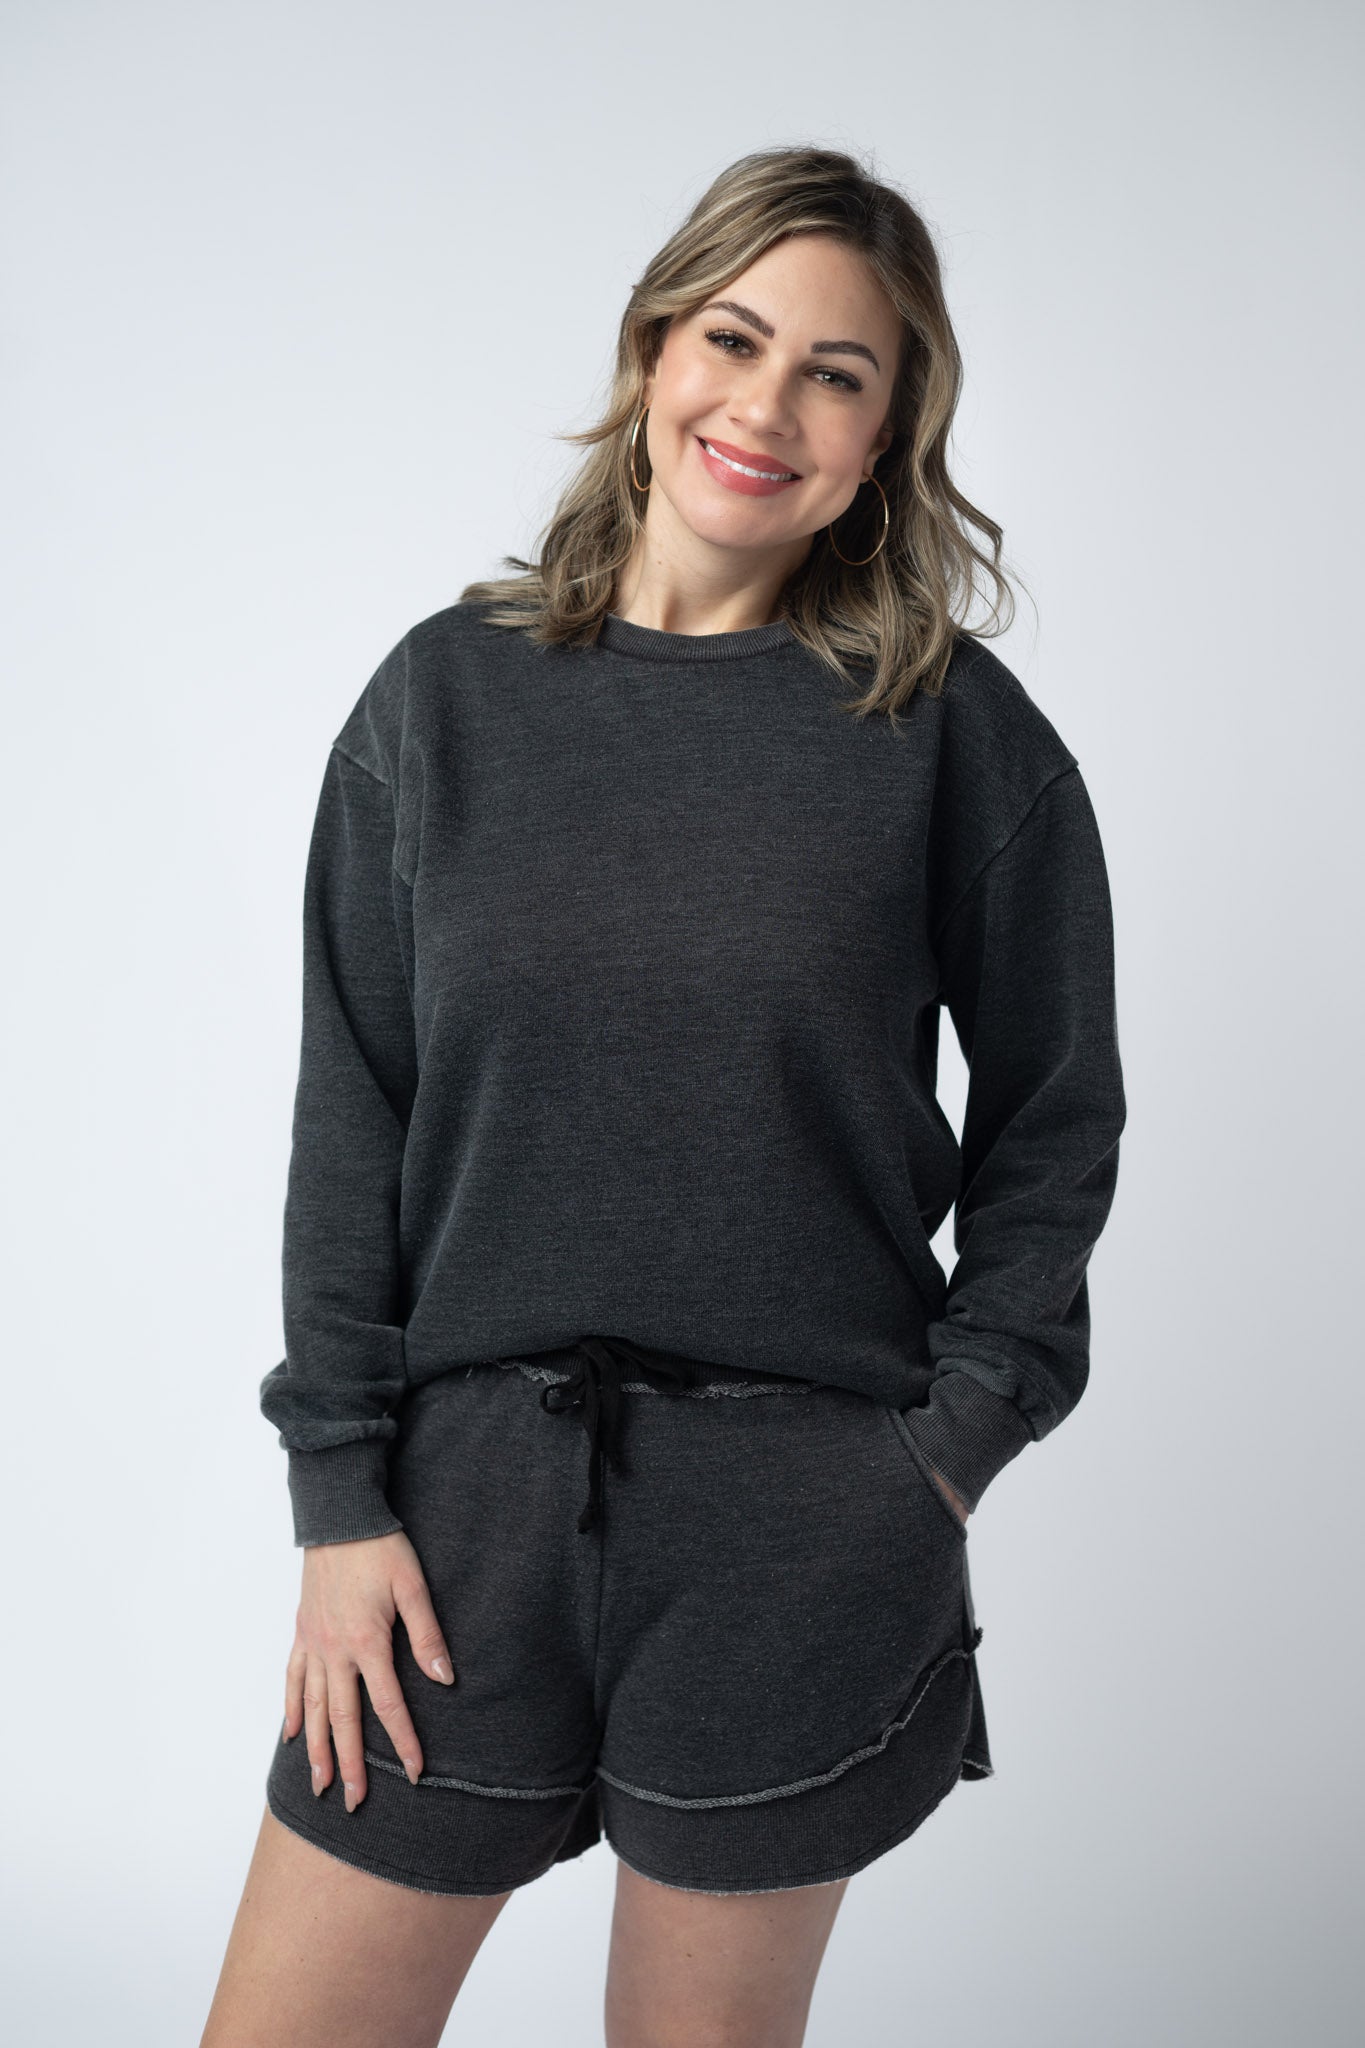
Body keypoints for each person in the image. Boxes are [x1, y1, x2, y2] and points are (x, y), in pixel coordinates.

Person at [201, 143, 1126, 2047]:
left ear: (885, 439)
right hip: (452, 1524)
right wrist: (337, 1500)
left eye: (836, 374)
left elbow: (1055, 1117)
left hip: (801, 1522)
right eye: (733, 338)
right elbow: (352, 1110)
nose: (765, 407)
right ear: (650, 351)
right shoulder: (440, 703)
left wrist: (946, 1448)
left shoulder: (943, 731)